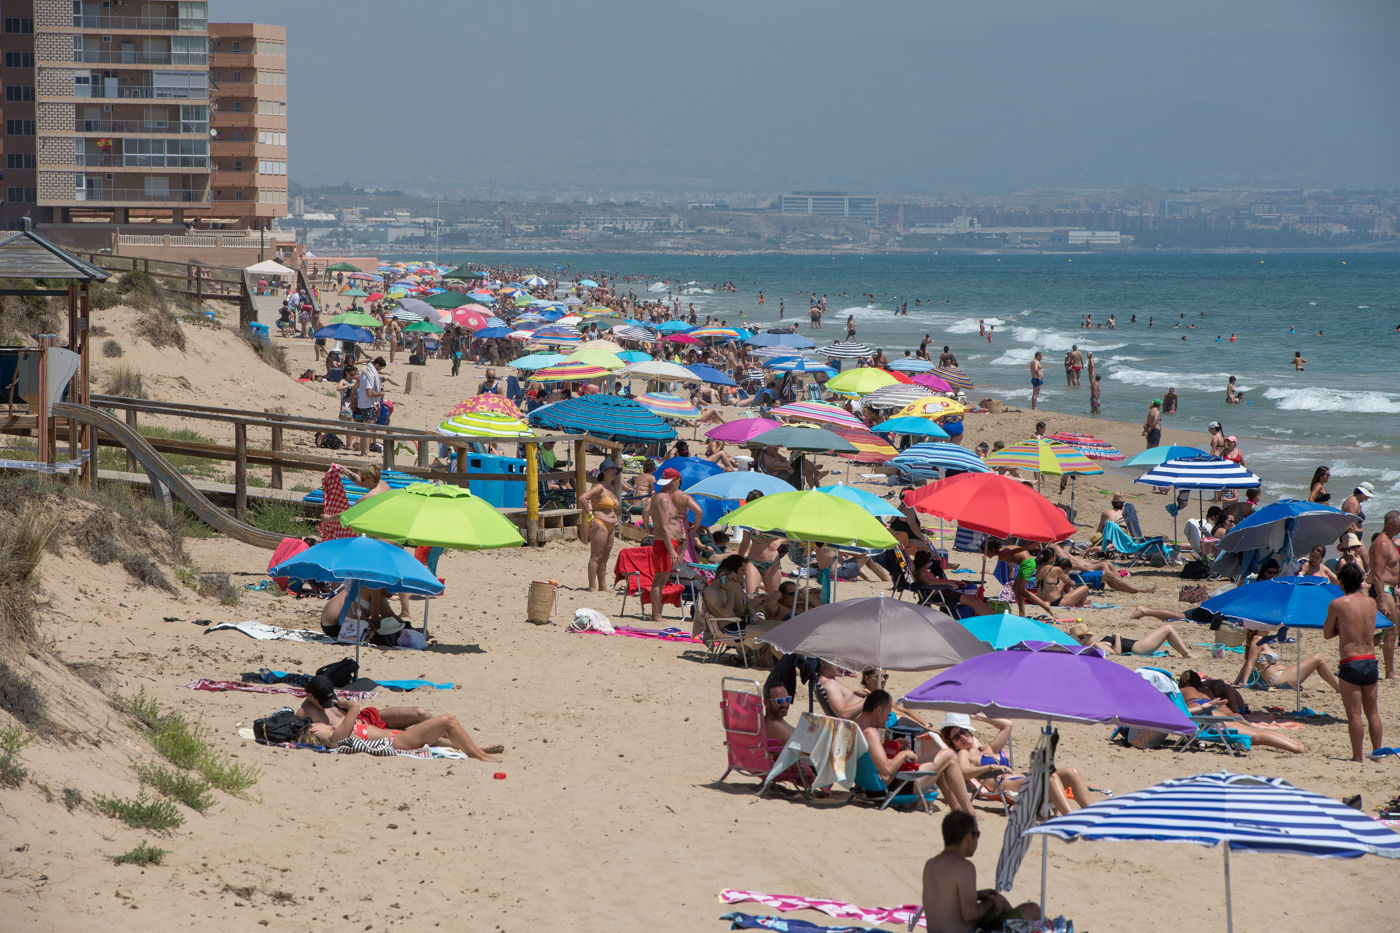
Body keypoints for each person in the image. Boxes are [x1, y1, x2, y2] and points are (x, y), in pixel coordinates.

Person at [940, 712, 1094, 817]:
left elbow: (1007, 725)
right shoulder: (963, 754)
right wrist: (991, 767)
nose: (962, 736)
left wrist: (980, 717)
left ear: (969, 731)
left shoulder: (989, 749)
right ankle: (1070, 819)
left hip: (1024, 780)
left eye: (963, 731)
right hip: (1009, 785)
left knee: (1071, 772)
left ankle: (1094, 815)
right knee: (1051, 777)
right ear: (954, 744)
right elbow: (963, 772)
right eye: (956, 737)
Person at [855, 691, 976, 815]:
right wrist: (903, 754)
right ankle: (969, 811)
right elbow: (886, 769)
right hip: (893, 787)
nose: (887, 718)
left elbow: (871, 759)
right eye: (888, 713)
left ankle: (957, 810)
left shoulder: (855, 726)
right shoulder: (870, 732)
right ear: (878, 710)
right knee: (949, 755)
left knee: (941, 757)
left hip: (868, 785)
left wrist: (893, 744)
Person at [922, 809, 1041, 933]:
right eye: (977, 834)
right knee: (1032, 909)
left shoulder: (930, 864)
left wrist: (976, 894)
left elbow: (945, 896)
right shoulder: (963, 866)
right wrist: (993, 903)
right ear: (969, 837)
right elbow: (970, 914)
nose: (977, 839)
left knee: (1002, 903)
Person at [298, 697, 502, 762]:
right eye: (316, 723)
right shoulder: (335, 738)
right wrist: (345, 702)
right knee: (448, 720)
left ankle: (478, 752)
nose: (323, 723)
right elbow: (355, 707)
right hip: (397, 741)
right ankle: (480, 756)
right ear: (314, 730)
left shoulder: (337, 735)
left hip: (398, 737)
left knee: (445, 724)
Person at [1325, 561, 1384, 760]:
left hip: (1350, 661)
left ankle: (1357, 757)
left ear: (1341, 582)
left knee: (1354, 715)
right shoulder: (1371, 603)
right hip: (1370, 660)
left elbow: (1327, 633)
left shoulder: (1337, 604)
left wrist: (1341, 628)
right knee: (1373, 712)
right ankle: (1377, 755)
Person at [1177, 672, 1306, 755]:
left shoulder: (1180, 692)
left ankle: (1297, 748)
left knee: (1254, 736)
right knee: (1255, 732)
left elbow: (1179, 712)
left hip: (1206, 718)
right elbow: (1214, 683)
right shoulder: (1205, 690)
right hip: (1214, 713)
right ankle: (1297, 744)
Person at [645, 468, 701, 622]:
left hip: (667, 542)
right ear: (673, 481)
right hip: (665, 543)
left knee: (662, 579)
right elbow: (663, 527)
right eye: (677, 482)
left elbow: (647, 513)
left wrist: (647, 527)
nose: (678, 485)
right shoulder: (663, 499)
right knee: (659, 579)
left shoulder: (663, 497)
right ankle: (655, 615)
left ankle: (656, 613)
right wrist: (671, 550)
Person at [297, 674, 430, 733]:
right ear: (310, 696)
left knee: (420, 713)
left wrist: (345, 704)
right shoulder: (304, 713)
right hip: (366, 733)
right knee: (429, 737)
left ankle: (450, 730)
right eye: (324, 702)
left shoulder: (324, 691)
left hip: (367, 717)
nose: (328, 703)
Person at [578, 459, 622, 592]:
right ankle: (592, 586)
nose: (615, 471)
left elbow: (611, 508)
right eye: (612, 469)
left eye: (616, 469)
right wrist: (590, 517)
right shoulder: (599, 487)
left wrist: (615, 518)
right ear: (605, 471)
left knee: (605, 557)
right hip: (599, 524)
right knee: (596, 556)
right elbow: (582, 498)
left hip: (610, 525)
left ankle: (602, 586)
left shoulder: (612, 487)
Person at [982, 538, 1053, 616]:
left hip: (1027, 564)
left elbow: (1015, 551)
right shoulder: (1003, 550)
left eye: (985, 552)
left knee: (1021, 591)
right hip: (1026, 563)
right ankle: (1022, 613)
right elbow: (1010, 557)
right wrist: (1011, 568)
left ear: (992, 549)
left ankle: (1044, 604)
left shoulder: (1002, 554)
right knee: (1015, 589)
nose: (985, 554)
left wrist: (1030, 547)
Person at [1369, 510, 1400, 680]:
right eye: (1399, 525)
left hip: (1389, 590)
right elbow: (1377, 574)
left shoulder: (1389, 542)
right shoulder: (1381, 543)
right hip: (1383, 590)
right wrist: (1382, 600)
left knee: (1391, 632)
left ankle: (1364, 646)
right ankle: (1390, 672)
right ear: (1390, 523)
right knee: (1391, 631)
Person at [1069, 621, 1194, 657]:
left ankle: (1186, 653)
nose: (1091, 635)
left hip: (1137, 645)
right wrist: (1117, 637)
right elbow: (1116, 652)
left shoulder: (1098, 642)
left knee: (1168, 630)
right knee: (1168, 628)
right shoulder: (1096, 645)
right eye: (1088, 635)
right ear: (1082, 639)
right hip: (1138, 648)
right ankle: (1187, 654)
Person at [1253, 646, 1340, 693]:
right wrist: (1242, 683)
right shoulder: (1257, 639)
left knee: (1318, 659)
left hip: (1281, 675)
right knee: (1318, 658)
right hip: (1277, 680)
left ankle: (1338, 686)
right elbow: (1248, 664)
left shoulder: (1264, 641)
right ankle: (1338, 687)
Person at [354, 357, 385, 456]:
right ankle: (366, 451)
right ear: (376, 365)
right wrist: (380, 394)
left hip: (363, 403)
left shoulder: (365, 370)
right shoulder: (370, 373)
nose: (378, 371)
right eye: (379, 369)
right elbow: (369, 392)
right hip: (368, 403)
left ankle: (364, 450)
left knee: (366, 427)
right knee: (368, 427)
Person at [763, 682, 794, 746]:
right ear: (766, 703)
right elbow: (801, 747)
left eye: (787, 699)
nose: (785, 704)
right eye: (779, 701)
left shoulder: (779, 720)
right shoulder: (772, 725)